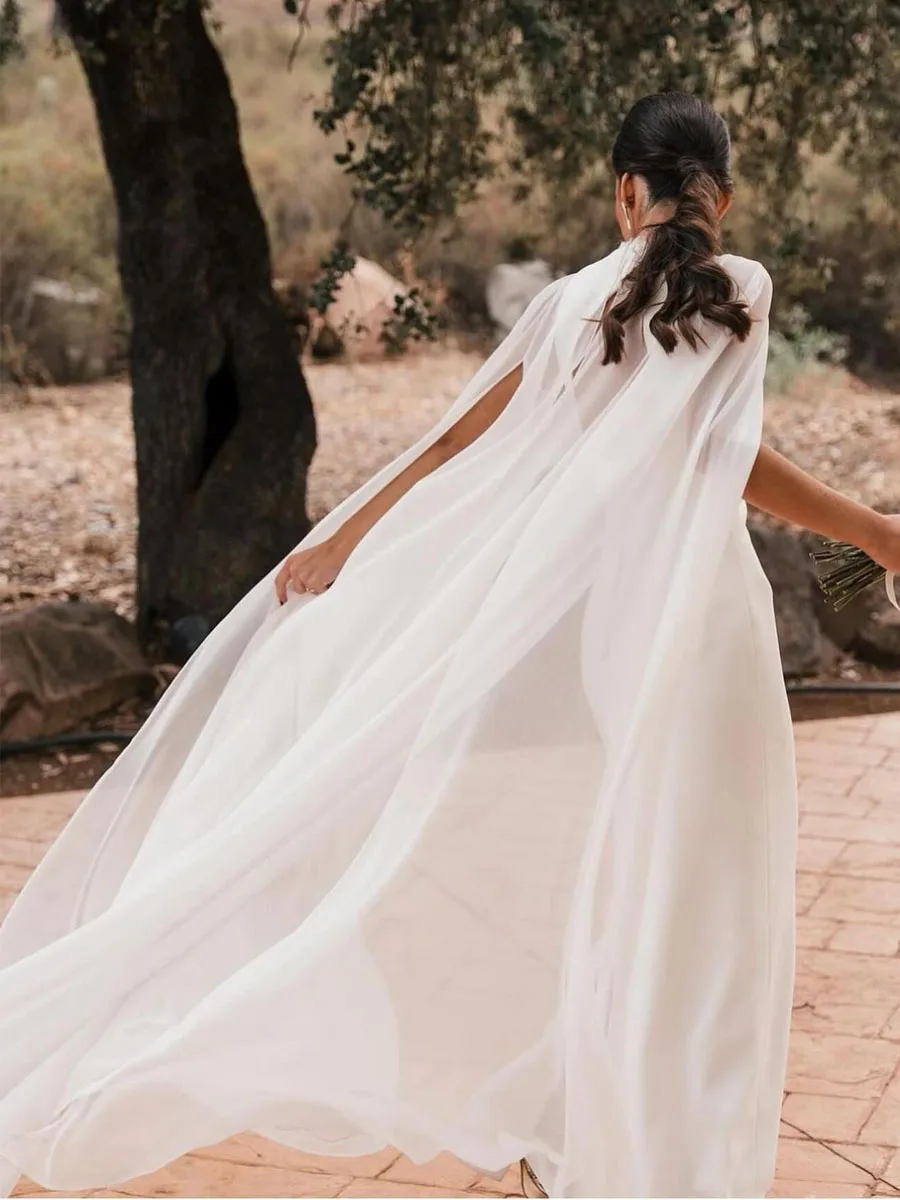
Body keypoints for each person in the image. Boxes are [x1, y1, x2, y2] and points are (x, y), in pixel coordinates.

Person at [1, 92, 898, 1200]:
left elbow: (463, 435)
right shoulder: (743, 290)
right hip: (700, 630)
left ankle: (582, 1124)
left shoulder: (575, 303)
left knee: (613, 872)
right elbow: (730, 462)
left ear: (625, 190)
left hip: (600, 633)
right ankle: (652, 1149)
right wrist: (877, 534)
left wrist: (346, 539)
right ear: (724, 193)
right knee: (695, 890)